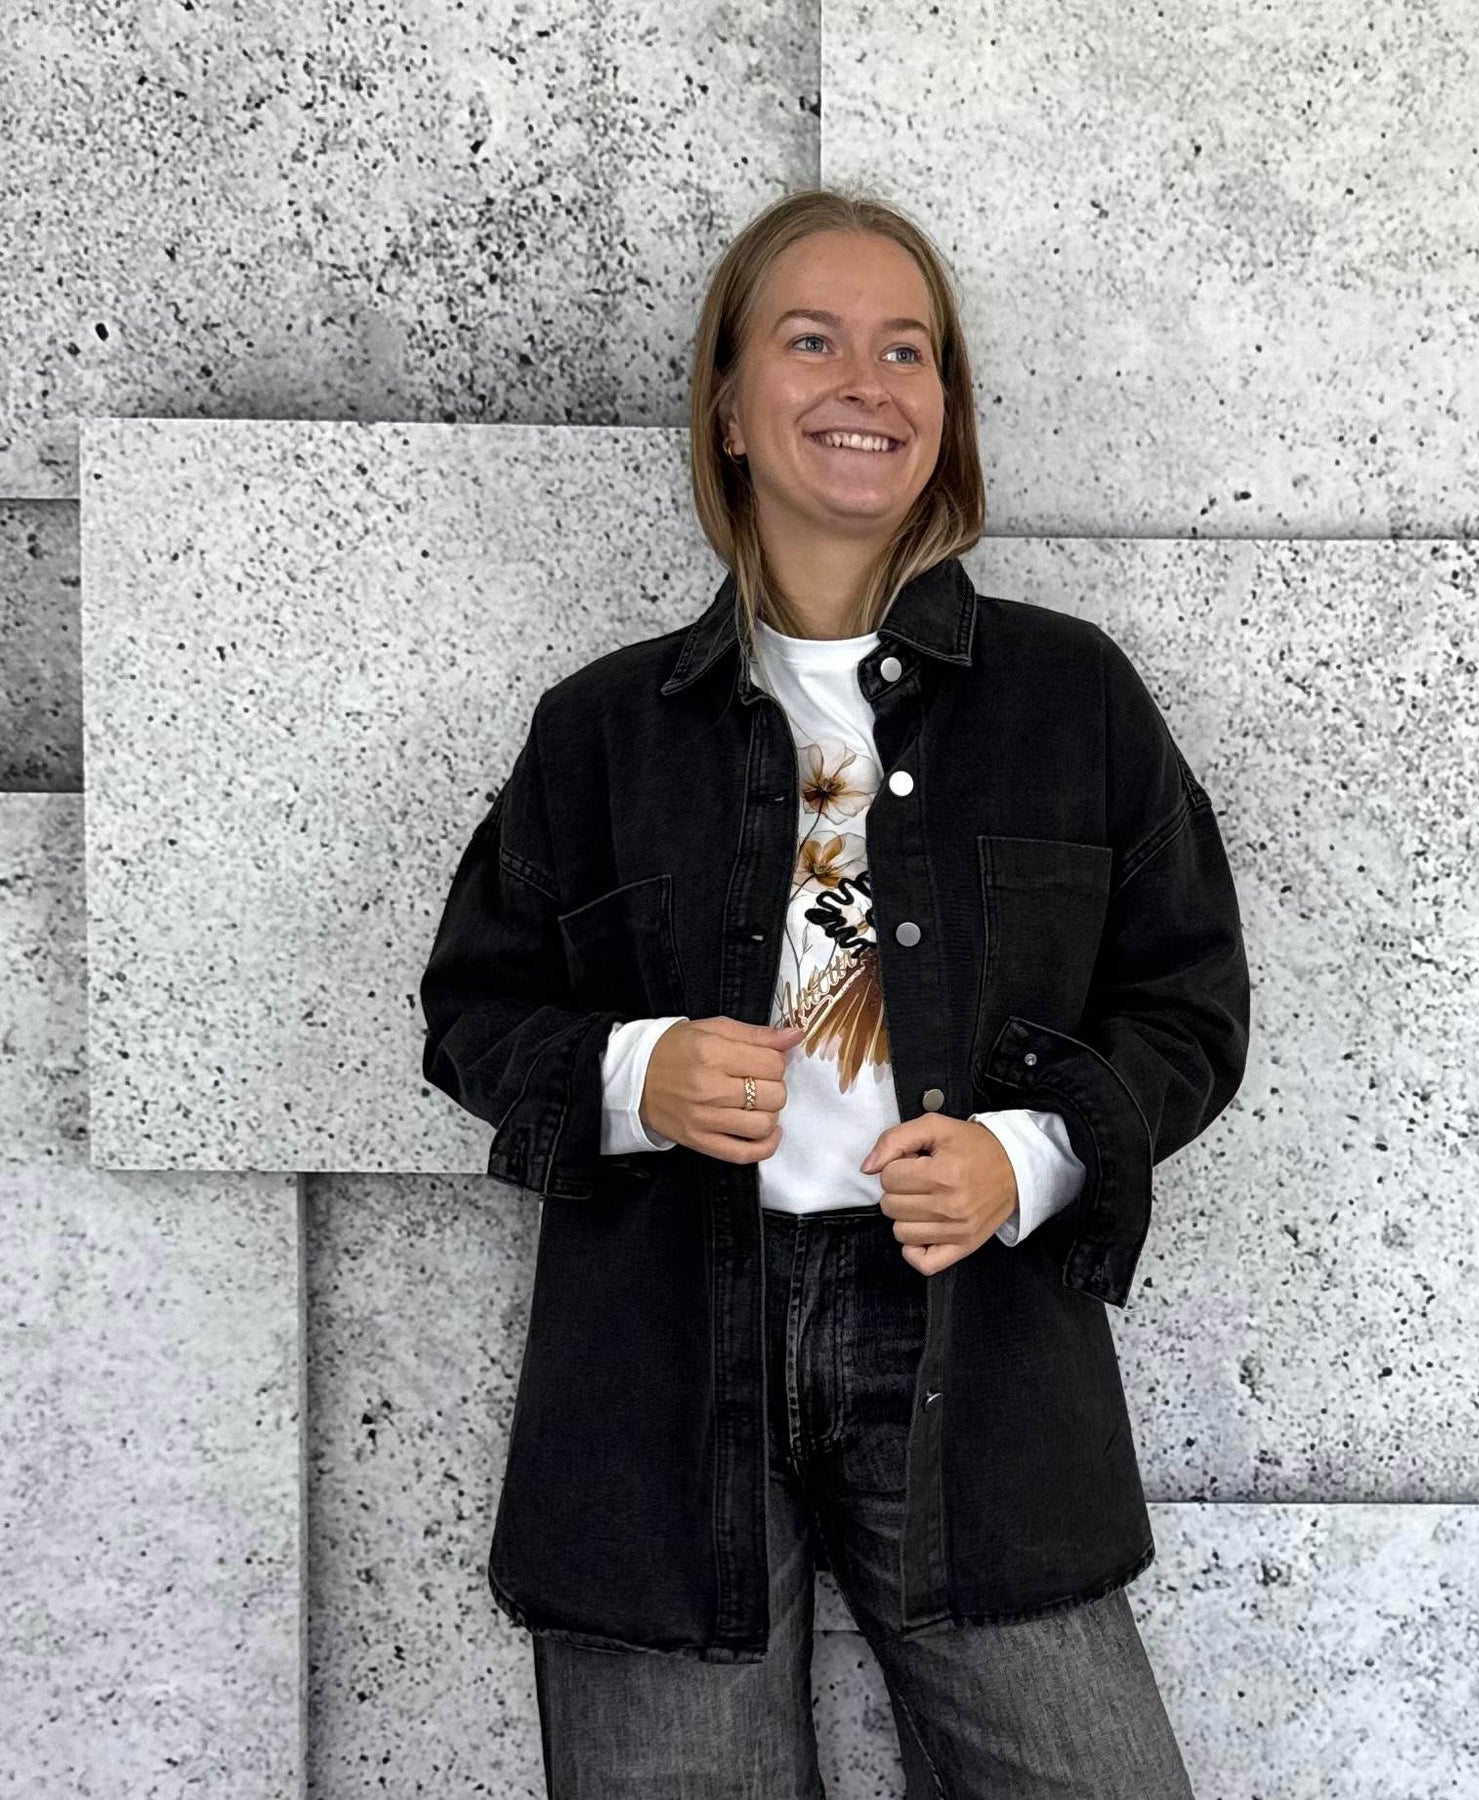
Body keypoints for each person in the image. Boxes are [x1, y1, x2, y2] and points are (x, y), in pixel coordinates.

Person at [419, 185, 1252, 1798]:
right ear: (729, 407)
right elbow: (474, 1008)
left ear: (948, 412)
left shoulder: (1071, 698)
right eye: (812, 341)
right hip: (662, 1366)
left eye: (907, 349)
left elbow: (1190, 1005)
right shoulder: (602, 732)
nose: (866, 381)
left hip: (979, 1356)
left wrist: (1032, 1156)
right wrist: (635, 1073)